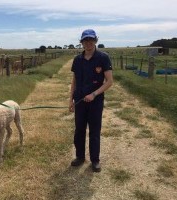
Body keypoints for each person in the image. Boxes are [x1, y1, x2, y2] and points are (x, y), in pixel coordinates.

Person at [69, 29, 113, 172]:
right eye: (85, 40)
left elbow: (109, 81)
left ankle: (95, 160)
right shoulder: (77, 60)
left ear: (95, 41)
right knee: (79, 130)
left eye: (91, 40)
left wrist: (94, 94)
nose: (88, 43)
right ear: (81, 42)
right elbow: (74, 80)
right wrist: (71, 100)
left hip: (95, 102)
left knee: (94, 131)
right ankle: (80, 156)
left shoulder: (103, 57)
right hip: (80, 101)